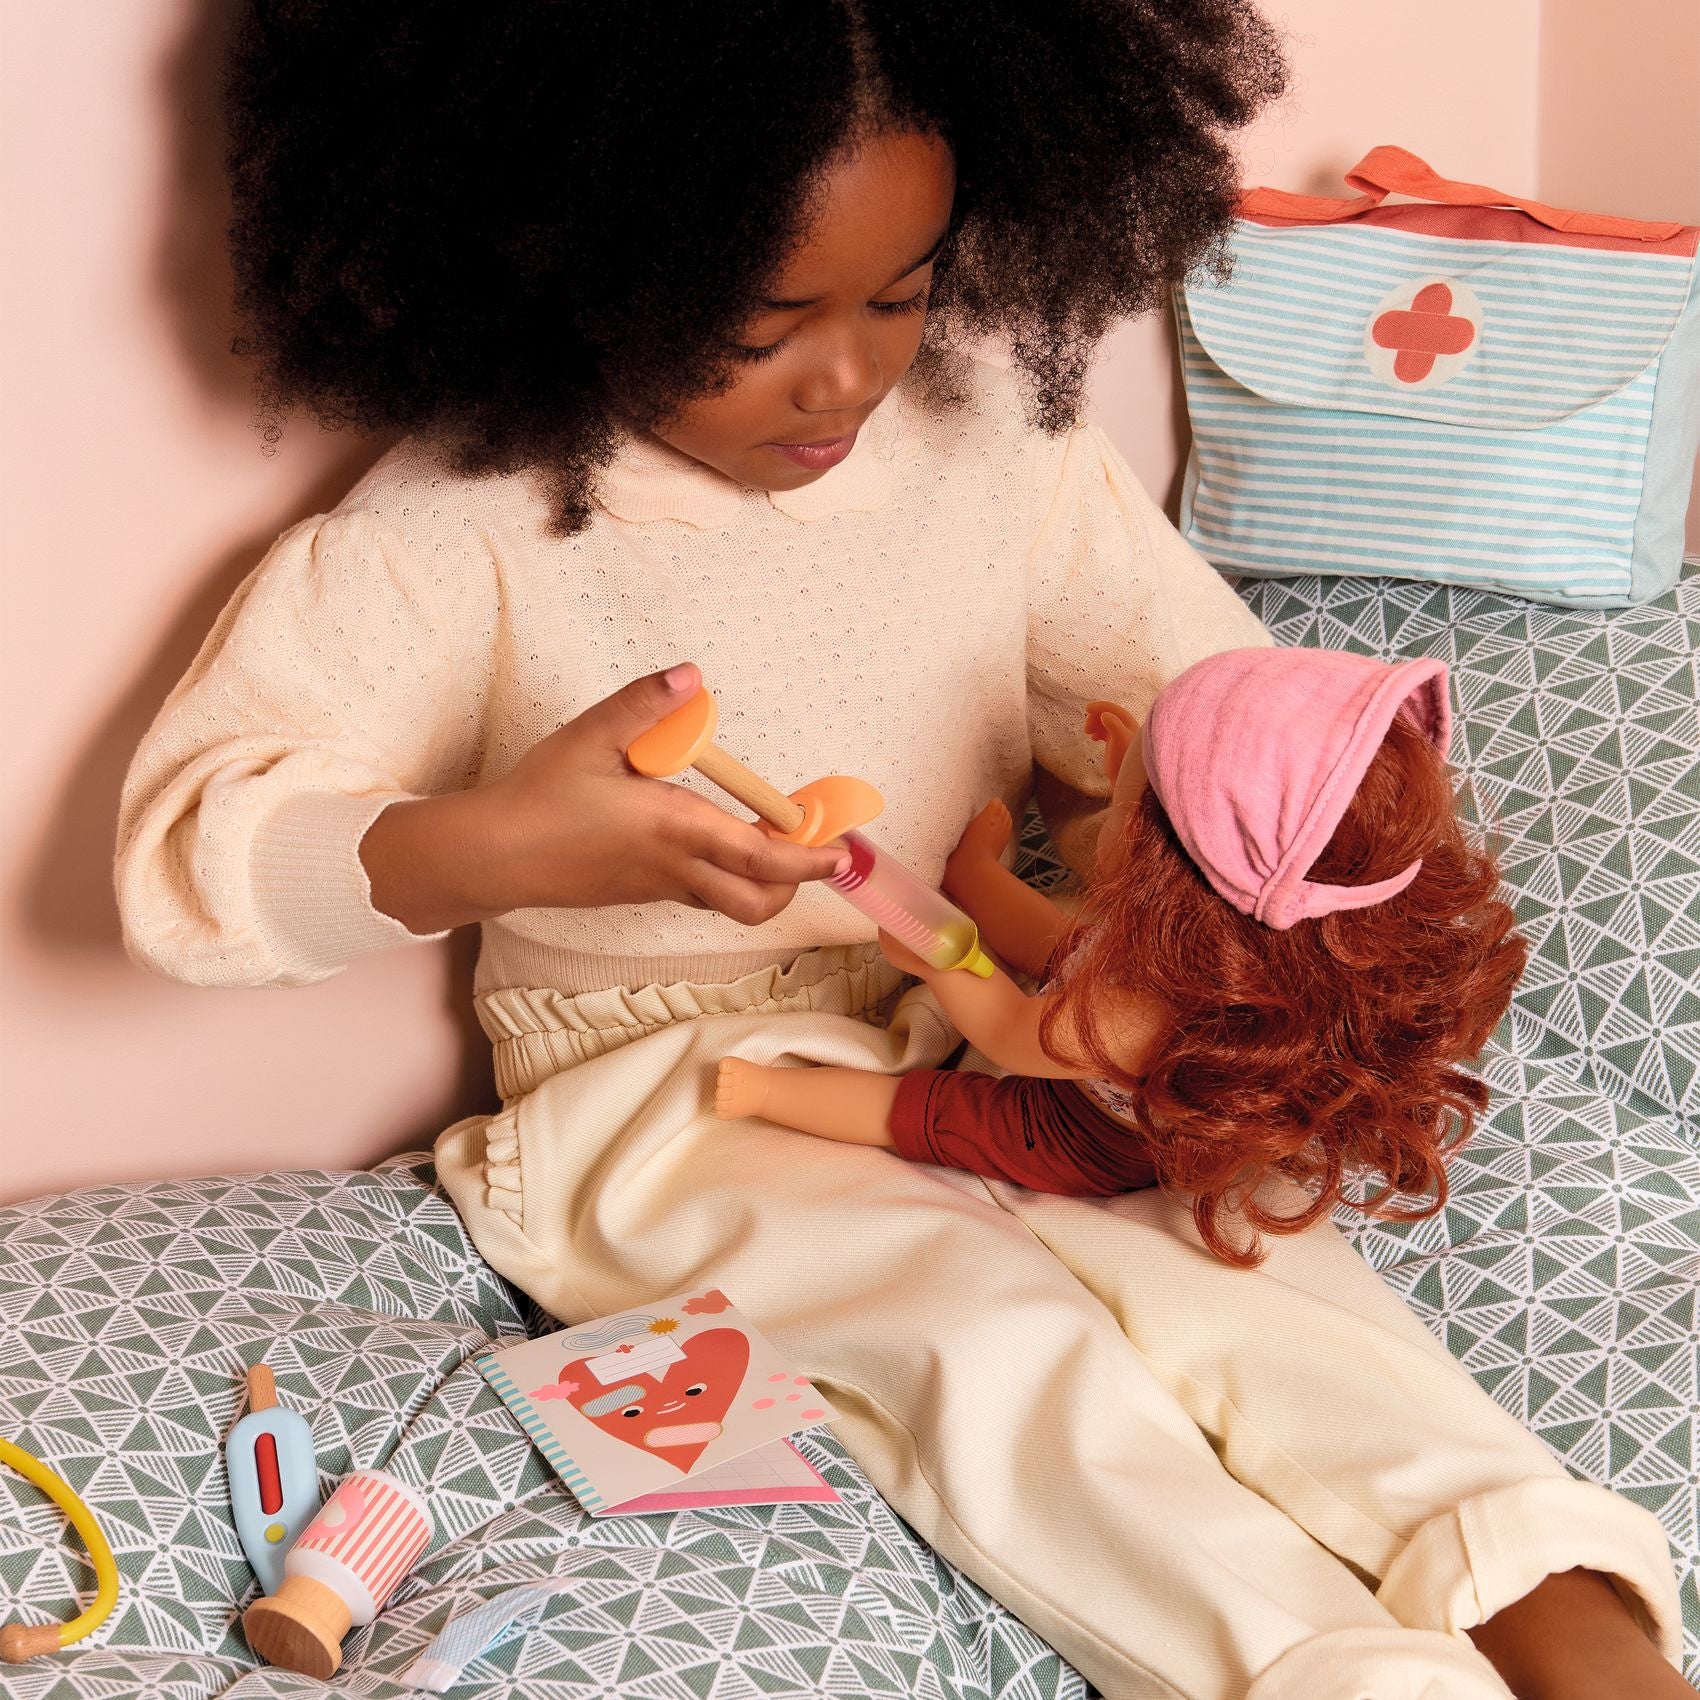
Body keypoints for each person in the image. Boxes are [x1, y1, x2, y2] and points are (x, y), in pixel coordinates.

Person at [116, 6, 1683, 1696]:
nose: (848, 376)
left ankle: (1575, 1622)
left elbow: (1219, 711)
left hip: (1006, 1019)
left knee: (1276, 1287)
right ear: (565, 260)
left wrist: (1160, 850)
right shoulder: (460, 527)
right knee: (990, 1354)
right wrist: (495, 848)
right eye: (760, 325)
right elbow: (193, 863)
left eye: (902, 293)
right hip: (668, 1106)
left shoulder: (995, 449)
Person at [715, 648, 1532, 1266]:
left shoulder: (1129, 1015)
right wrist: (1143, 761)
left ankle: (767, 1093)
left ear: (1160, 875)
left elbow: (1009, 1033)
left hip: (1082, 1129)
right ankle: (974, 879)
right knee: (1062, 942)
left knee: (950, 1114)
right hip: (1109, 988)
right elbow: (1078, 941)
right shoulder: (1221, 940)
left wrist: (942, 968)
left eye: (1119, 809)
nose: (1105, 817)